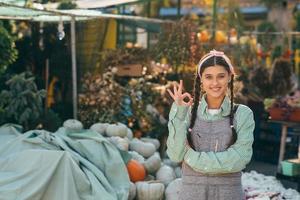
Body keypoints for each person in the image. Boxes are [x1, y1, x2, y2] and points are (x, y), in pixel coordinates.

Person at [166, 50, 255, 200]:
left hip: (229, 193)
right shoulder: (187, 113)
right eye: (209, 77)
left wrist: (193, 158)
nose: (215, 83)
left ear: (229, 78)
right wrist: (180, 113)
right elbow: (175, 155)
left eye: (221, 76)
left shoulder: (243, 114)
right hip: (191, 193)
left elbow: (240, 158)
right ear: (201, 80)